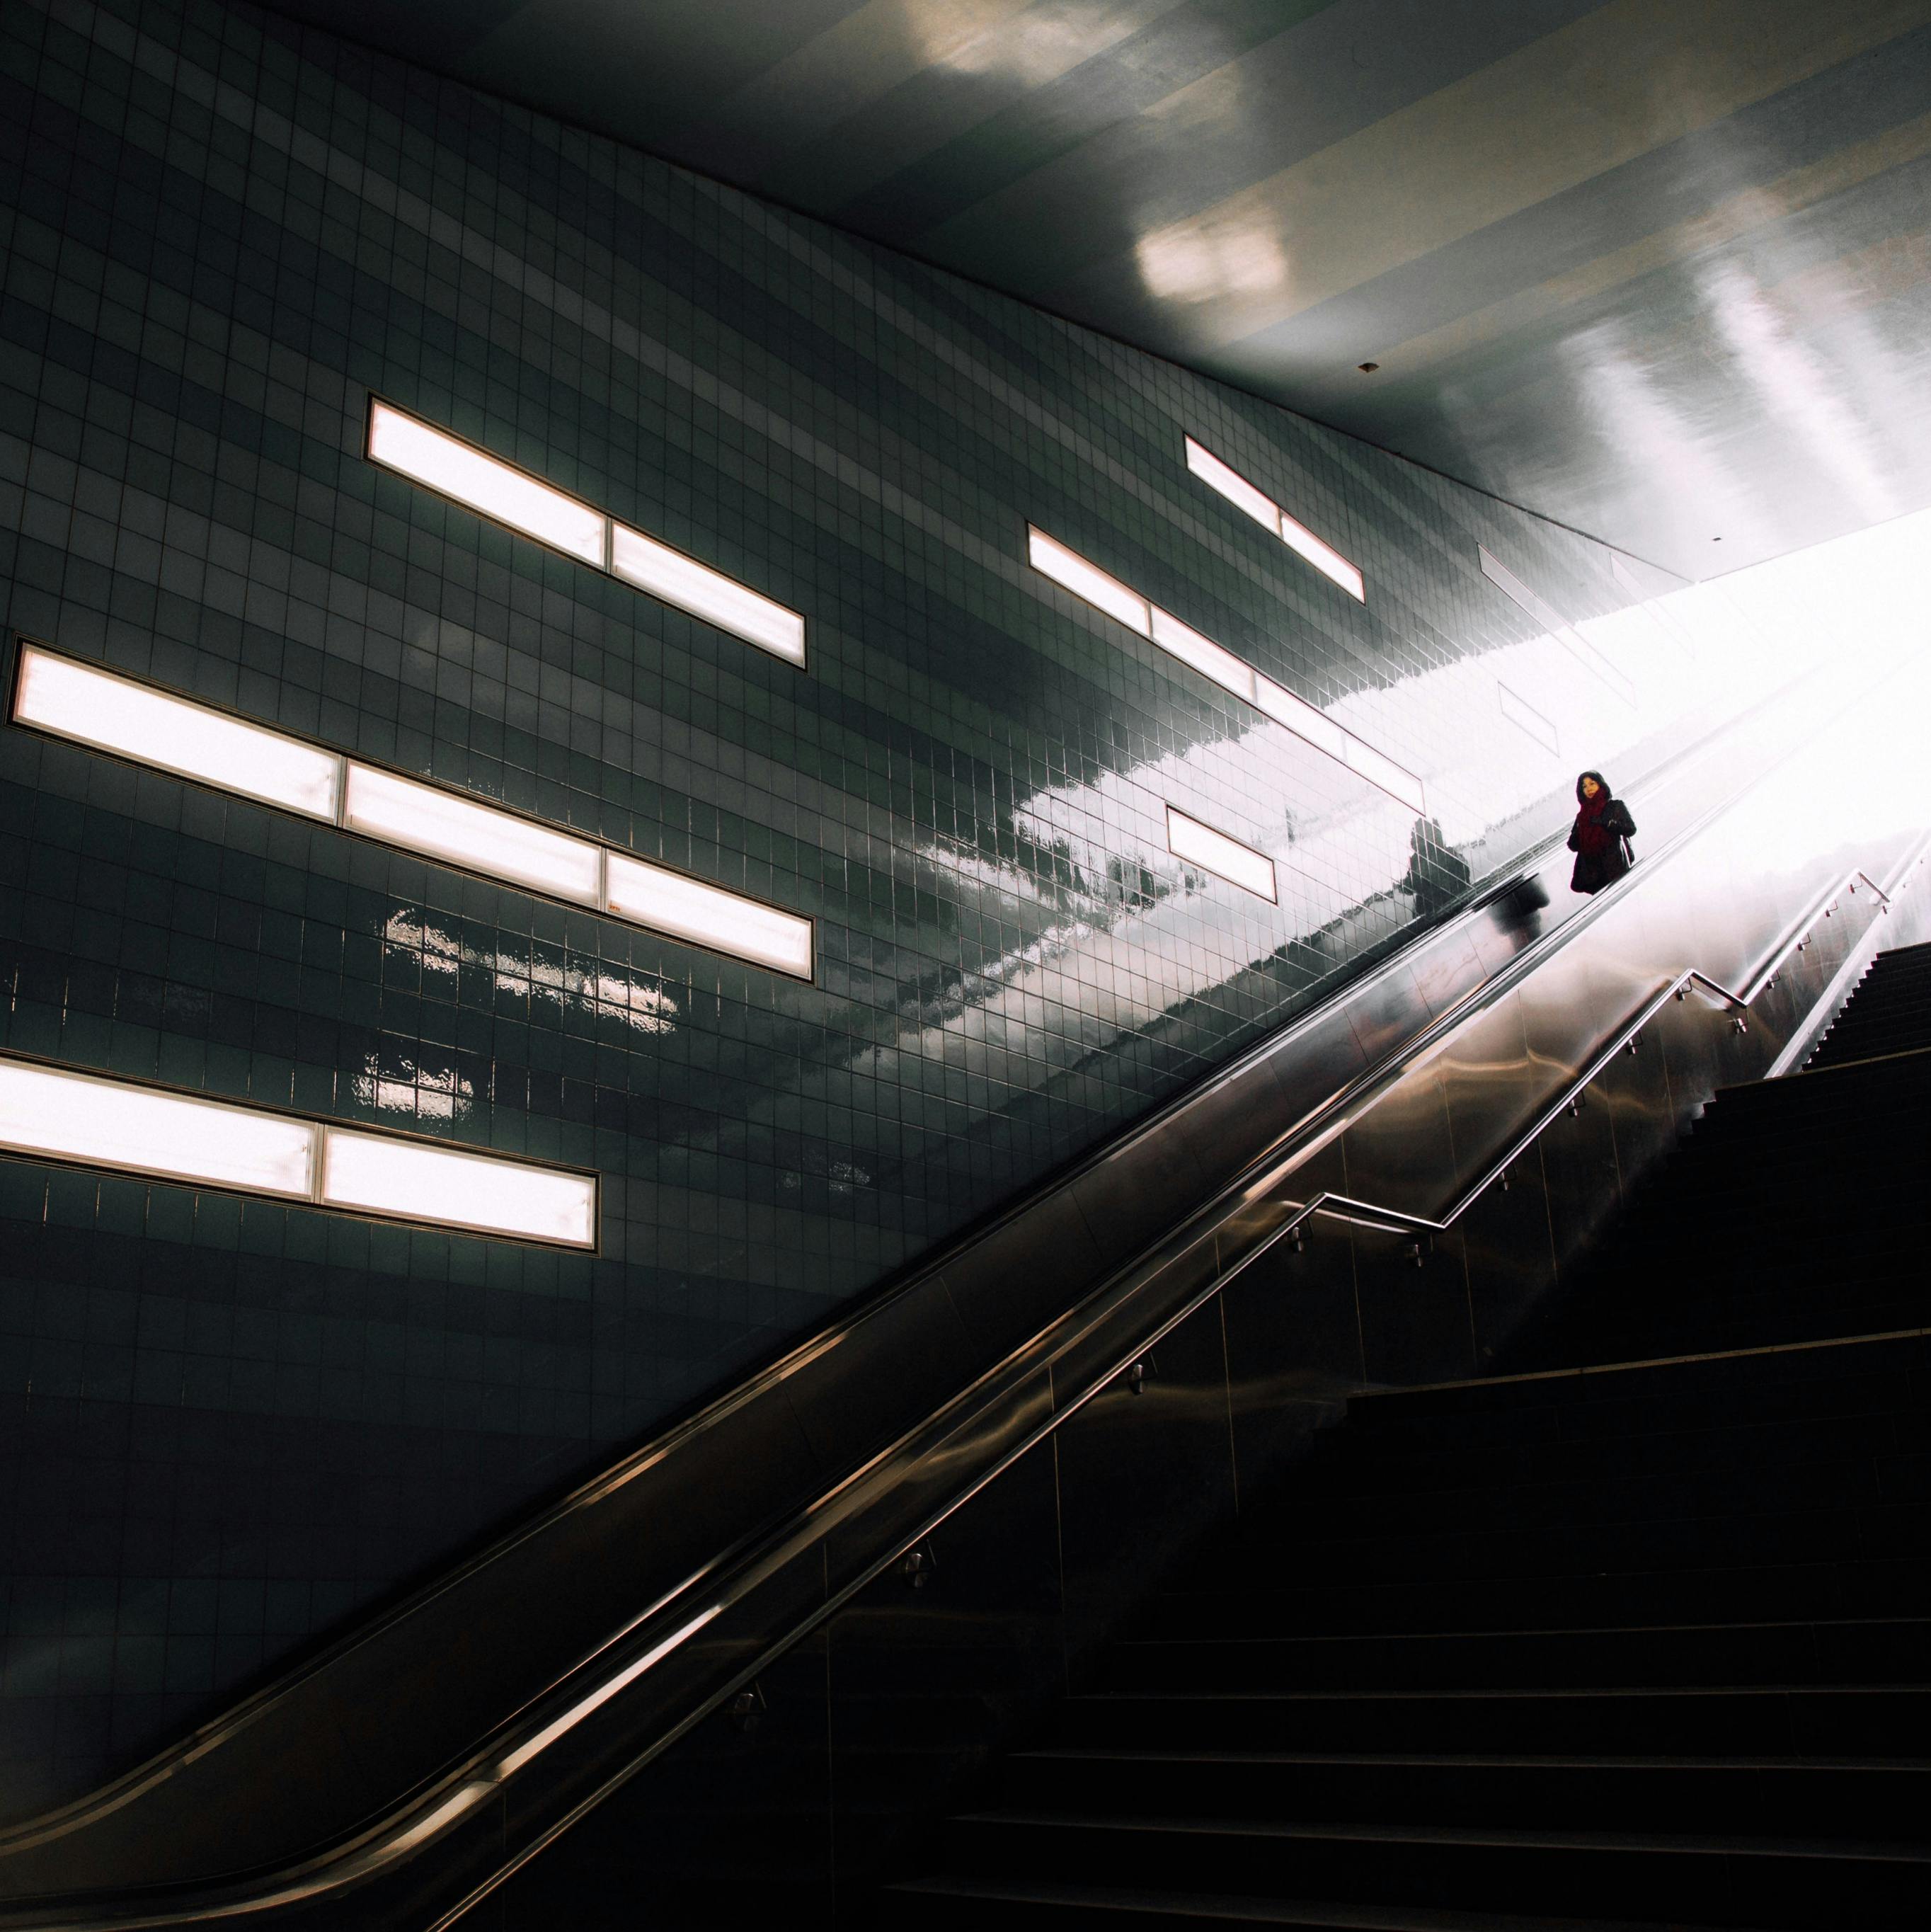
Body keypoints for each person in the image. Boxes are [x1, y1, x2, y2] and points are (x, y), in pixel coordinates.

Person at [1567, 770, 1636, 895]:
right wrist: (1580, 832)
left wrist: (1608, 823)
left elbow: (1631, 829)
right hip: (1594, 875)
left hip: (1615, 867)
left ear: (1600, 785)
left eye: (1592, 783)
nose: (1588, 789)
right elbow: (1573, 846)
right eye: (1584, 786)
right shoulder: (1582, 816)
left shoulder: (1615, 806)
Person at [1403, 816, 1470, 917]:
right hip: (1431, 918)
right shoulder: (1415, 862)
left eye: (1415, 836)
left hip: (1457, 909)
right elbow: (1409, 886)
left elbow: (1464, 873)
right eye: (1413, 836)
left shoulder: (1448, 855)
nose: (1412, 841)